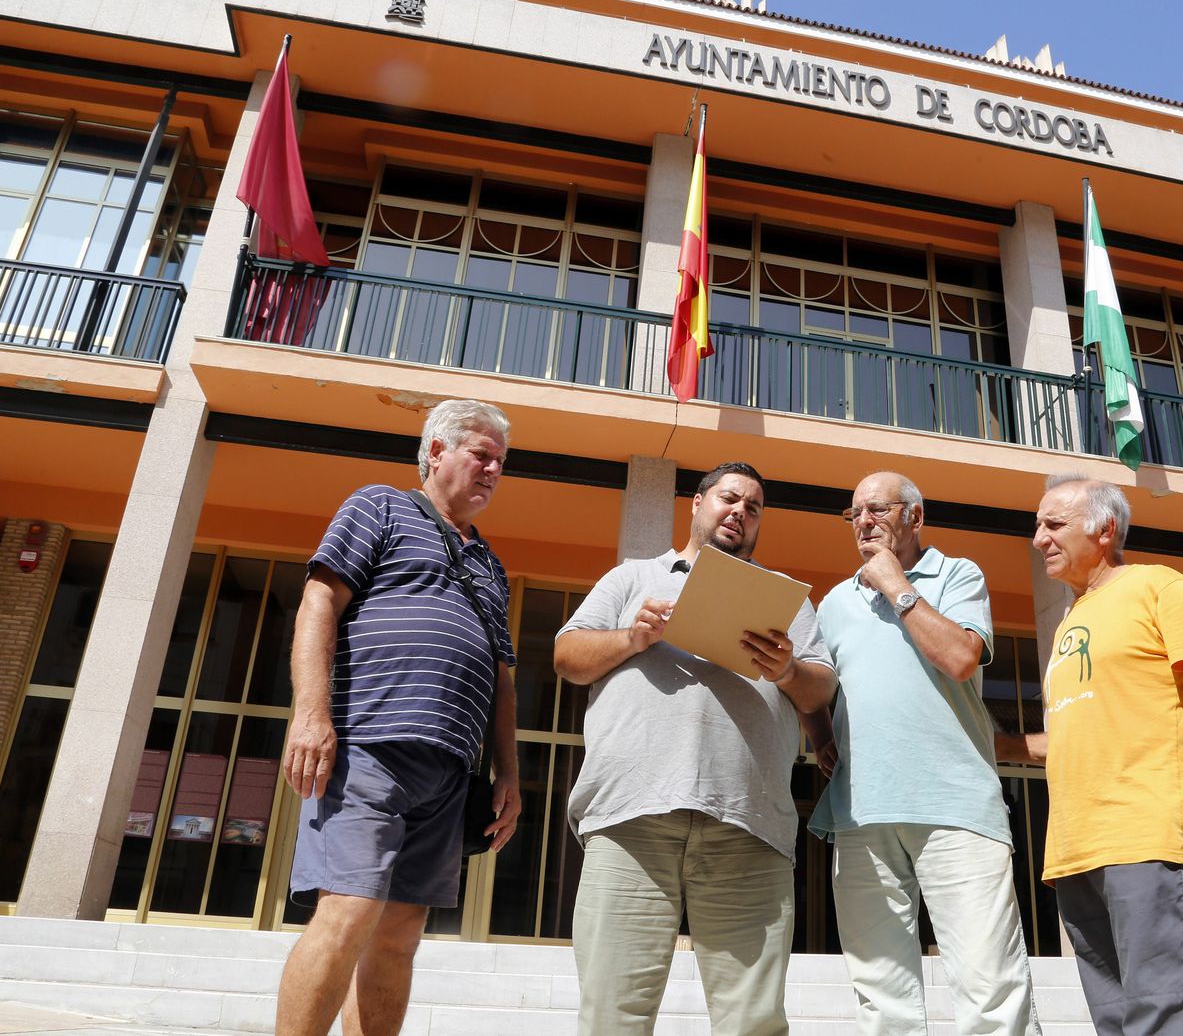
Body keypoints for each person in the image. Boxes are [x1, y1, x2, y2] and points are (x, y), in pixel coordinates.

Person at [554, 461, 838, 1036]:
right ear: (696, 503)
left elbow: (821, 689)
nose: (740, 512)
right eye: (729, 498)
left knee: (753, 1022)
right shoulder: (633, 578)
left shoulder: (786, 602)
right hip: (631, 818)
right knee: (611, 1015)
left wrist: (786, 669)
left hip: (749, 826)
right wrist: (632, 637)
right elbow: (567, 658)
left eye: (753, 507)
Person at [274, 399, 522, 1036]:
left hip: (449, 774)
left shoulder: (491, 565)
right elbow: (319, 601)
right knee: (349, 911)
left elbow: (502, 677)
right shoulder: (379, 506)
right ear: (436, 451)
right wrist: (311, 714)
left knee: (400, 934)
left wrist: (508, 774)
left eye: (501, 461)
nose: (494, 470)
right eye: (482, 454)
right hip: (369, 747)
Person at [997, 474, 1183, 1036]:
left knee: (1160, 1016)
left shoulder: (1157, 586)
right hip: (1075, 851)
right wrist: (992, 743)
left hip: (1146, 837)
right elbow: (1074, 735)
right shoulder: (1071, 618)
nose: (1039, 539)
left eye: (1054, 524)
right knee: (1115, 1021)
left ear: (1105, 530)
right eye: (1037, 526)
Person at [806, 471, 1040, 1036]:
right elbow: (816, 685)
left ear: (914, 516)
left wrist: (895, 584)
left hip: (956, 807)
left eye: (878, 509)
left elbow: (960, 658)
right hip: (861, 811)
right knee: (882, 994)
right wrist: (820, 734)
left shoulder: (958, 574)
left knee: (990, 985)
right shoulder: (834, 603)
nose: (864, 522)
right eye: (855, 513)